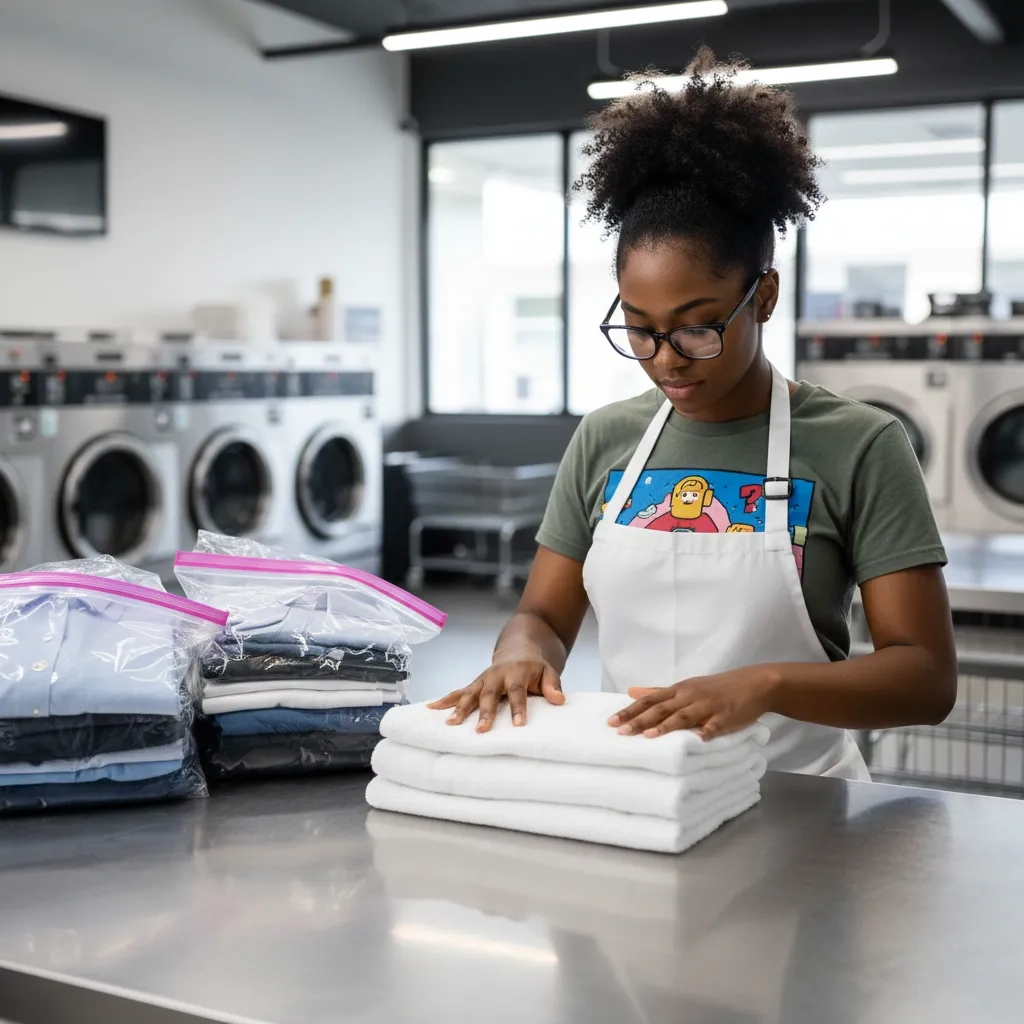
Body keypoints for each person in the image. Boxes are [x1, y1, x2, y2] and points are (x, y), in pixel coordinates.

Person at [430, 49, 957, 780]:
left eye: (698, 327)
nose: (667, 359)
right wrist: (521, 654)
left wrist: (766, 685)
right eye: (639, 328)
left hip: (802, 811)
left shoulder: (860, 444)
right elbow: (545, 617)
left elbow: (926, 677)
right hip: (636, 796)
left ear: (763, 298)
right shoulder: (606, 438)